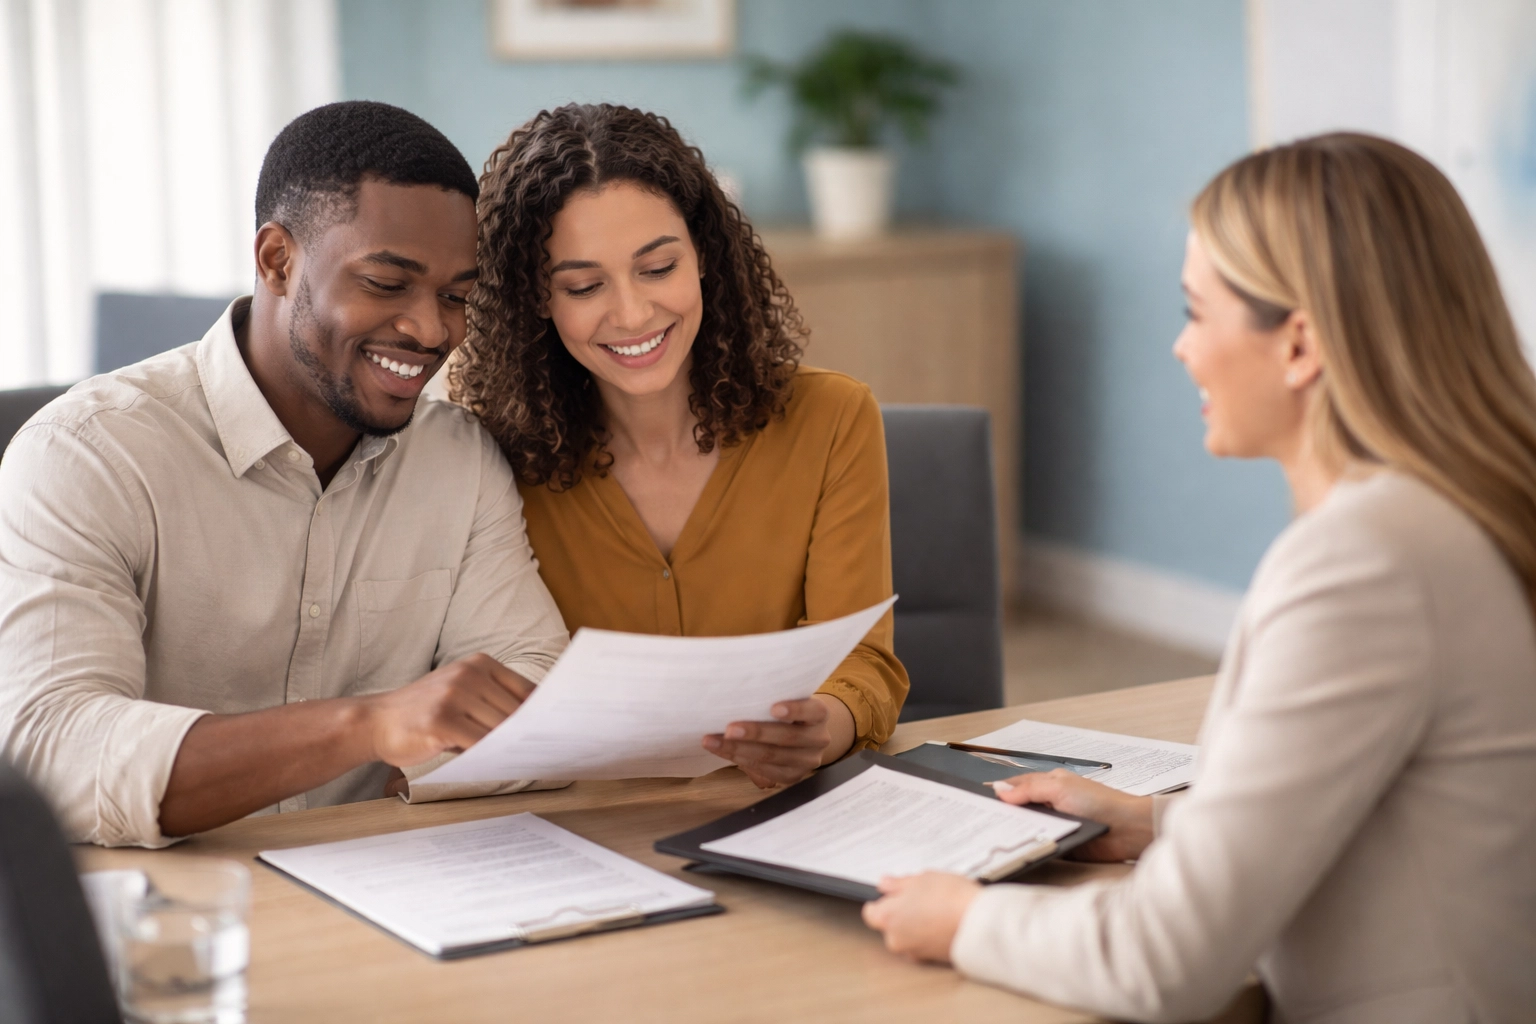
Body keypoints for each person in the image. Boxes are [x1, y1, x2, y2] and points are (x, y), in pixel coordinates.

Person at [862, 133, 1536, 1022]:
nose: (1182, 350)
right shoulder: (1465, 509)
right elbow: (1396, 810)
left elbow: (1166, 965)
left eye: (1197, 312)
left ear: (1298, 345)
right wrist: (1157, 823)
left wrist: (967, 918)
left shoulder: (1365, 564)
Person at [0, 101, 568, 849]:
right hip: (168, 920)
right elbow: (49, 749)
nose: (433, 332)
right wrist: (370, 726)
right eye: (387, 282)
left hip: (395, 890)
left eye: (457, 297)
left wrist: (429, 744)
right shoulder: (89, 453)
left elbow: (534, 685)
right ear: (277, 260)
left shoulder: (458, 460)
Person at [451, 103, 909, 787]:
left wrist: (826, 724)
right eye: (583, 285)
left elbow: (864, 663)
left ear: (704, 258)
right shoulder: (490, 454)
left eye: (658, 267)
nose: (633, 314)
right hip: (581, 829)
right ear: (536, 299)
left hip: (780, 814)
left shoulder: (833, 420)